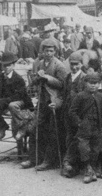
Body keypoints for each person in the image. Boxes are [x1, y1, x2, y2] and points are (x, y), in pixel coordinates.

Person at [21, 38, 67, 170]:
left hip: (53, 101)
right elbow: (34, 80)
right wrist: (37, 77)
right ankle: (33, 159)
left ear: (55, 51)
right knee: (36, 128)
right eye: (46, 51)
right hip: (42, 100)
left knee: (52, 132)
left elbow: (62, 85)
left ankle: (48, 161)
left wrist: (47, 78)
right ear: (42, 51)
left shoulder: (59, 65)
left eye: (51, 51)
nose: (48, 53)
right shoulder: (39, 63)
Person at [68, 72, 102, 184]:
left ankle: (91, 170)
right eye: (90, 83)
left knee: (95, 150)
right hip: (84, 127)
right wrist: (79, 123)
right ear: (85, 83)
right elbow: (72, 112)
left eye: (96, 83)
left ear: (98, 84)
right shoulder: (80, 96)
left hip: (97, 127)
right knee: (84, 149)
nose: (93, 86)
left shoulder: (100, 95)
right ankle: (88, 171)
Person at [0, 51, 33, 141]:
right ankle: (2, 125)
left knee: (12, 105)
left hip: (21, 101)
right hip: (7, 102)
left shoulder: (18, 79)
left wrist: (1, 101)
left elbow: (19, 95)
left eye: (9, 65)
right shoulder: (2, 77)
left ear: (13, 65)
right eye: (4, 65)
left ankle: (22, 126)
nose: (7, 67)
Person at [61, 51, 88, 178]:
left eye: (76, 64)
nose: (74, 67)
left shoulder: (84, 78)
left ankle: (74, 165)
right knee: (69, 137)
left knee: (78, 139)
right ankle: (70, 165)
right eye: (72, 64)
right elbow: (64, 95)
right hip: (67, 113)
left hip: (79, 114)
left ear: (81, 64)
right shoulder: (67, 78)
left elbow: (86, 99)